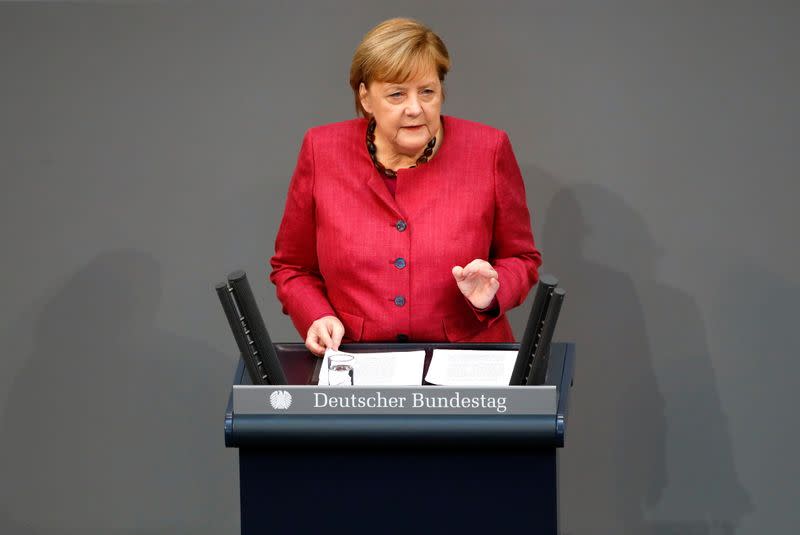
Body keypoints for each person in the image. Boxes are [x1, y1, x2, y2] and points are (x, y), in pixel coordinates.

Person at [269, 18, 542, 356]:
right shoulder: (321, 150)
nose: (415, 108)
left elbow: (521, 257)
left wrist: (492, 294)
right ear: (366, 97)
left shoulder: (488, 149)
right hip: (358, 360)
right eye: (397, 94)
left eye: (427, 91)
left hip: (468, 364)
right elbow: (292, 267)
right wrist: (317, 314)